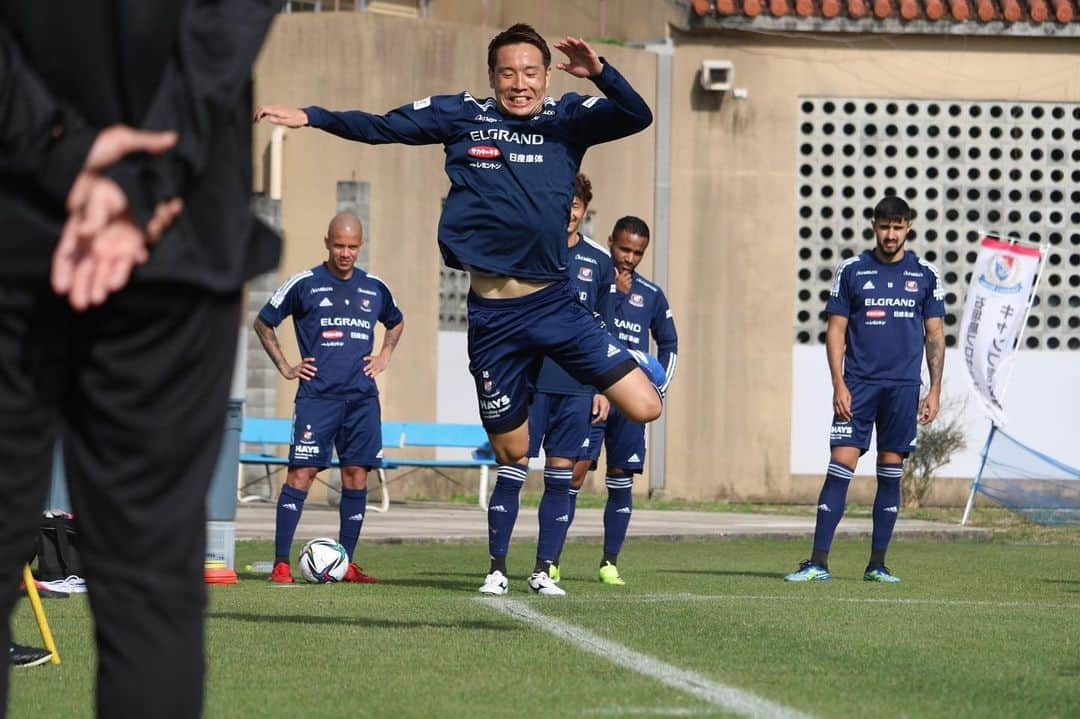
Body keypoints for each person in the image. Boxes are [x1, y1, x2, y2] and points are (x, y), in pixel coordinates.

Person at [255, 23, 662, 595]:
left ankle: (549, 535)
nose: (518, 83)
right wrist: (312, 116)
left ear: (546, 75)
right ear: (491, 76)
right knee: (514, 450)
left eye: (529, 72)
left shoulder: (568, 119)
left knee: (645, 406)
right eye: (506, 73)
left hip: (555, 304)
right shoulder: (462, 115)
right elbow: (381, 127)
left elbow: (637, 115)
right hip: (493, 318)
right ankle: (504, 552)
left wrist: (601, 73)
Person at [0, 3, 279, 717]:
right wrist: (148, 173)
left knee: (149, 588)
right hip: (174, 238)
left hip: (38, 213)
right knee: (149, 589)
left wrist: (56, 143)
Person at [785, 196, 945, 583]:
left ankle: (877, 564)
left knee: (890, 472)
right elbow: (835, 330)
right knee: (840, 467)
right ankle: (819, 561)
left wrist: (934, 389)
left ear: (909, 227)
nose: (891, 234)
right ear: (874, 225)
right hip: (857, 386)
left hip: (903, 388)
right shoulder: (853, 270)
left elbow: (935, 335)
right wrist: (838, 383)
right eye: (884, 226)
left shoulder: (926, 274)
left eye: (898, 226)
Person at [254, 212, 404, 584]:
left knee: (356, 476)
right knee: (301, 474)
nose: (345, 253)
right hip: (317, 398)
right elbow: (263, 321)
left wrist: (384, 356)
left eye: (352, 246)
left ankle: (345, 563)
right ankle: (280, 564)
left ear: (361, 246)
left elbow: (396, 321)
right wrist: (287, 367)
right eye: (339, 245)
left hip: (361, 399)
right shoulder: (305, 284)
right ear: (326, 242)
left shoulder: (375, 288)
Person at [501, 173, 613, 597]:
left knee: (561, 479)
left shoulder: (599, 262)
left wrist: (603, 386)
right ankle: (496, 568)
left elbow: (603, 330)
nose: (569, 212)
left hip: (577, 387)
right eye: (563, 203)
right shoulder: (529, 249)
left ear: (584, 210)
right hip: (531, 384)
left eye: (576, 205)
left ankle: (544, 570)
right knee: (511, 472)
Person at [552, 216, 677, 586]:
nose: (630, 258)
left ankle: (609, 563)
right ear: (610, 242)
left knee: (620, 479)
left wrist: (658, 389)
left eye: (638, 252)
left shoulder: (651, 295)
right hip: (593, 396)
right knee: (573, 473)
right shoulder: (592, 282)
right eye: (624, 249)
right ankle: (551, 561)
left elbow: (670, 342)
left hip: (629, 402)